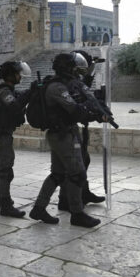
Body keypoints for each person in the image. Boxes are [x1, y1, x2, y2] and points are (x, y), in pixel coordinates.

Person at [30, 53, 106, 228]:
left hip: (61, 133)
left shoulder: (61, 85)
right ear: (67, 68)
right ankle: (77, 214)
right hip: (63, 135)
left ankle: (39, 208)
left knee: (58, 174)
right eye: (73, 68)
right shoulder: (57, 88)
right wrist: (92, 111)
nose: (76, 72)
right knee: (77, 173)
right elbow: (74, 110)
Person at [0, 61, 34, 218]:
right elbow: (14, 106)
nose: (20, 76)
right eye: (18, 73)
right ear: (11, 75)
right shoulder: (4, 92)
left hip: (4, 133)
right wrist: (29, 93)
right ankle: (5, 205)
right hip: (2, 134)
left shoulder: (7, 90)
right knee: (6, 170)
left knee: (3, 167)